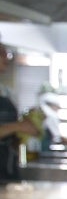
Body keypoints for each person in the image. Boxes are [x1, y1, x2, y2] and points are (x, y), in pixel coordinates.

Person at [0, 37, 40, 183]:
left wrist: (26, 128)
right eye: (1, 54)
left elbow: (10, 138)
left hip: (8, 170)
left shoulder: (6, 91)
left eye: (7, 54)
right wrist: (18, 126)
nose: (6, 58)